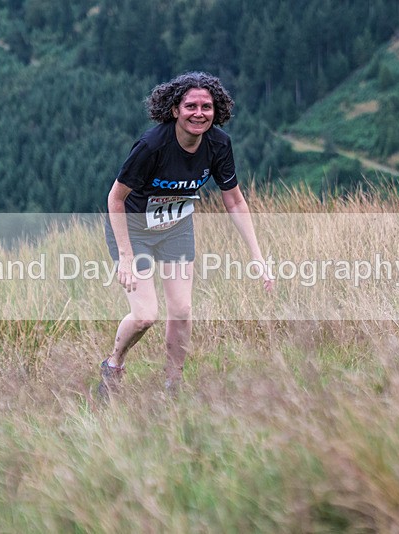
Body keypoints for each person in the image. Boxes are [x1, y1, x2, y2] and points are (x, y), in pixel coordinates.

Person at [100, 71, 273, 399]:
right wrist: (124, 256)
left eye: (206, 106)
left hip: (176, 229)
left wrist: (257, 256)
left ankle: (172, 387)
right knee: (145, 315)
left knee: (181, 310)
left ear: (216, 110)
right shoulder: (152, 145)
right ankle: (113, 365)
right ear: (175, 109)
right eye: (190, 105)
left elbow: (234, 200)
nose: (199, 113)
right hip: (134, 229)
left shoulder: (219, 145)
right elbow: (115, 198)